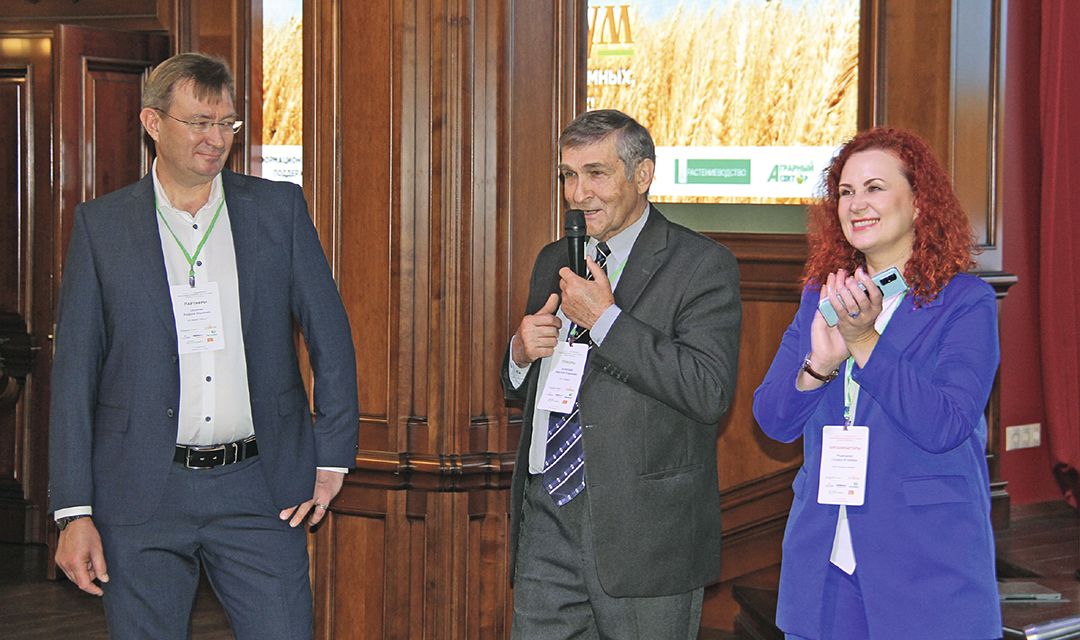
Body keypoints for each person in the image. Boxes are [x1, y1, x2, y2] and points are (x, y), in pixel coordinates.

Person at [48, 53, 359, 640]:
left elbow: (331, 336)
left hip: (260, 487)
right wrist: (73, 510)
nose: (216, 139)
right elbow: (74, 377)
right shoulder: (101, 227)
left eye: (227, 123)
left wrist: (332, 456)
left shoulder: (278, 211)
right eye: (199, 122)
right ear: (152, 122)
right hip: (140, 491)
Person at [752, 127, 1001, 639]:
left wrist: (864, 341)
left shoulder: (965, 302)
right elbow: (773, 420)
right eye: (846, 191)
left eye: (874, 188)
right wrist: (819, 367)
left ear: (919, 203)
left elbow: (945, 425)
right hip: (824, 562)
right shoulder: (823, 297)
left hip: (924, 564)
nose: (856, 204)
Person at [502, 109, 741, 639]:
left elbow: (707, 390)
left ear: (643, 175)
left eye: (596, 173)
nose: (577, 193)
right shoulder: (553, 259)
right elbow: (538, 385)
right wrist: (519, 355)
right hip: (547, 514)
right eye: (568, 175)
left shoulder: (701, 264)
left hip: (645, 532)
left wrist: (606, 322)